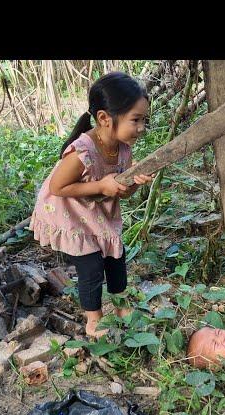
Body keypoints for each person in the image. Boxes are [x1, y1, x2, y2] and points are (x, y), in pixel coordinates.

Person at [29, 72, 154, 338]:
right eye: (135, 120)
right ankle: (94, 319)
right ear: (104, 118)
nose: (141, 127)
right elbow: (57, 188)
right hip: (71, 211)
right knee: (91, 267)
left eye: (144, 120)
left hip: (98, 212)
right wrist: (100, 186)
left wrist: (132, 184)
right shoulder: (81, 151)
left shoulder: (123, 148)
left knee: (116, 258)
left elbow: (123, 194)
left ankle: (120, 305)